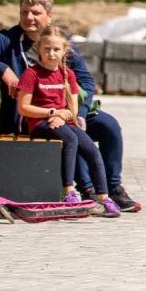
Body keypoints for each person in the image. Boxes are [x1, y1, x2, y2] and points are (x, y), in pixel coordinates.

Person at [0, 0, 142, 212]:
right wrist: (4, 69)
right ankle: (86, 190)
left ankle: (113, 189)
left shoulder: (59, 42)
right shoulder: (8, 40)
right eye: (24, 12)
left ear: (49, 16)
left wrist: (80, 114)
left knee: (108, 126)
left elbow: (84, 81)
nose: (29, 18)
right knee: (67, 134)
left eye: (35, 13)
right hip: (30, 118)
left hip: (66, 112)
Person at [16, 26, 120, 217]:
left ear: (65, 51)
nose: (51, 53)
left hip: (63, 121)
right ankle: (69, 192)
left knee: (91, 149)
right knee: (70, 141)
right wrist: (52, 113)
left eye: (56, 49)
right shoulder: (32, 74)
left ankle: (104, 198)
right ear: (39, 49)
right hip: (40, 123)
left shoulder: (68, 74)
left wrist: (60, 115)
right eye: (46, 49)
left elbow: (72, 107)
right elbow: (23, 107)